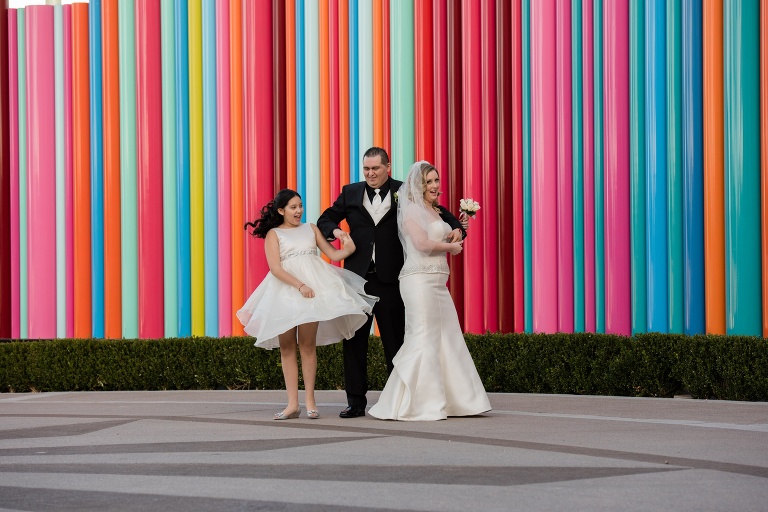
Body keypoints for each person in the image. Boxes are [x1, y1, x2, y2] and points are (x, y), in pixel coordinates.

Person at [317, 147, 467, 418]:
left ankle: (397, 400)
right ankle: (355, 402)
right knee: (354, 342)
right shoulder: (350, 192)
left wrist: (458, 227)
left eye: (375, 168)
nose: (370, 173)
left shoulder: (405, 190)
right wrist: (337, 231)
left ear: (388, 167)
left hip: (392, 278)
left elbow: (439, 211)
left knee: (395, 340)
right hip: (357, 279)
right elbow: (325, 218)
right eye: (366, 169)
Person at [237, 189, 377, 421]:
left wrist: (349, 247)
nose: (298, 211)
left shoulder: (311, 228)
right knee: (287, 347)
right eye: (293, 207)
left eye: (300, 206)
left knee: (307, 345)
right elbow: (275, 268)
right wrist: (300, 285)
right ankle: (292, 404)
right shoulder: (274, 234)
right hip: (285, 293)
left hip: (312, 293)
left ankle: (310, 400)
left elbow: (333, 254)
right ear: (281, 210)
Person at [368, 161, 491, 421]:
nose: (435, 186)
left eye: (436, 180)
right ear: (419, 185)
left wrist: (455, 233)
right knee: (423, 336)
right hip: (418, 281)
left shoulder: (434, 211)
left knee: (447, 336)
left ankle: (459, 402)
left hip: (437, 283)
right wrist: (450, 248)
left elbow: (436, 236)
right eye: (429, 182)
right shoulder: (411, 210)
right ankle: (412, 404)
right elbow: (421, 244)